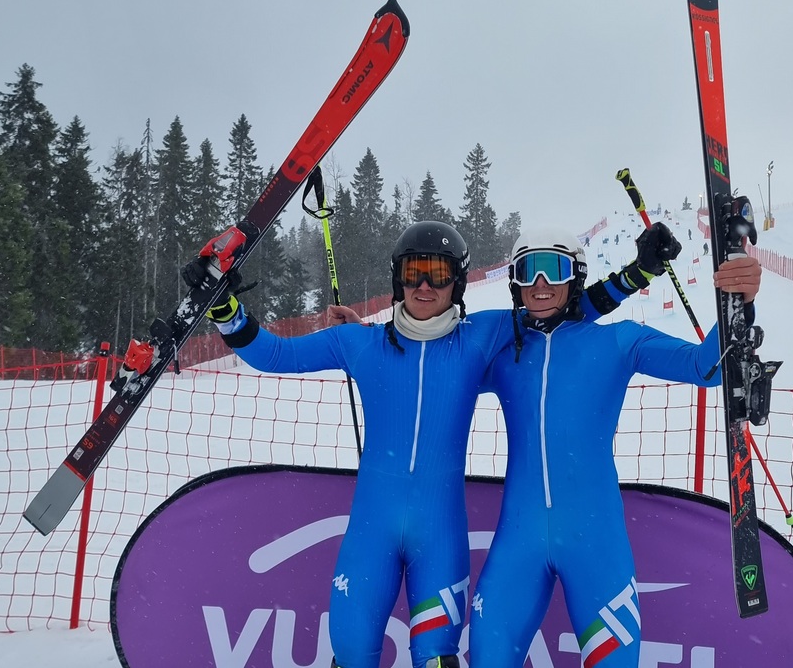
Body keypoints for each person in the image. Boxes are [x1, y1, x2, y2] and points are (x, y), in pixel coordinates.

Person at [181, 220, 659, 668]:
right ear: (398, 281)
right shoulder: (358, 343)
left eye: (438, 274)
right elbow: (273, 354)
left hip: (440, 542)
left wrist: (634, 275)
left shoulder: (481, 338)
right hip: (370, 536)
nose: (425, 286)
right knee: (350, 653)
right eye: (414, 274)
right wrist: (225, 308)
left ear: (458, 283)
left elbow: (556, 307)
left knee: (435, 657)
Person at [468, 222, 762, 667]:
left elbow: (707, 368)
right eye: (528, 270)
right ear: (514, 281)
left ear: (576, 276)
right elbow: (431, 349)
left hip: (594, 542)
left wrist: (737, 302)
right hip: (517, 545)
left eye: (554, 269)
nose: (541, 284)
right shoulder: (502, 345)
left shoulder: (618, 341)